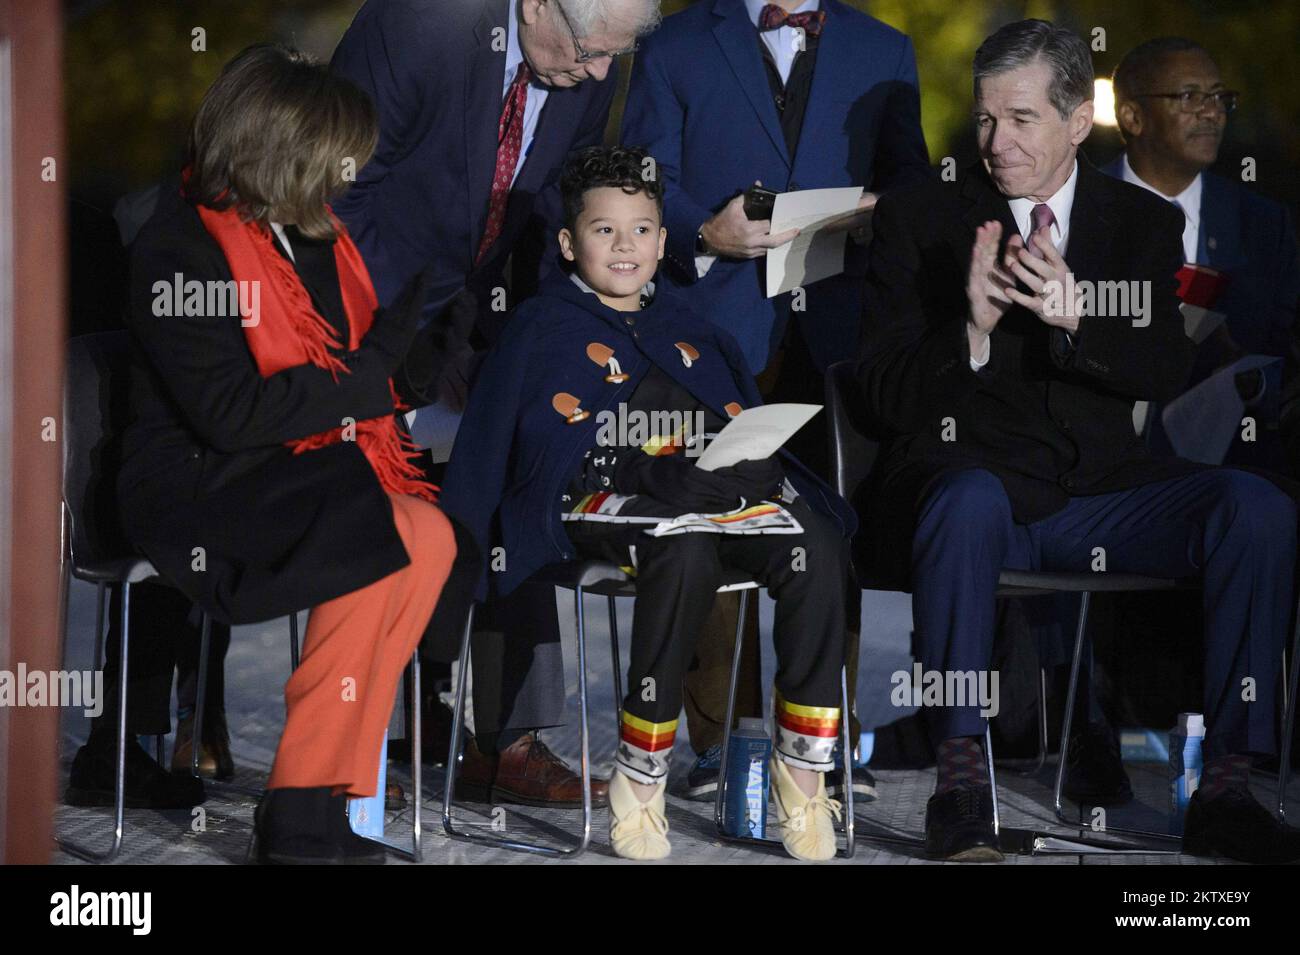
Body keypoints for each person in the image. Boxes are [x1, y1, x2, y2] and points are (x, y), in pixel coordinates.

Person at [855, 19, 1299, 863]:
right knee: (965, 495)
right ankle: (960, 785)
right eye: (986, 119)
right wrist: (973, 333)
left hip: (1104, 495)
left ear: (1075, 122)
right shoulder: (922, 215)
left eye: (1020, 120)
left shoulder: (1136, 221)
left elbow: (1165, 367)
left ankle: (1230, 788)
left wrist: (1079, 317)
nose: (996, 141)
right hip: (978, 493)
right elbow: (878, 391)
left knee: (1257, 506)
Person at [440, 145, 857, 859]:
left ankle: (804, 768)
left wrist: (738, 462)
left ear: (665, 242)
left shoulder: (692, 326)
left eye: (640, 230)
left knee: (814, 542)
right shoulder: (542, 327)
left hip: (708, 496)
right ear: (570, 243)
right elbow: (543, 448)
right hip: (599, 507)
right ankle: (640, 774)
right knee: (684, 548)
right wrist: (649, 471)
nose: (625, 246)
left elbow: (734, 419)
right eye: (604, 230)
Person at [119, 44, 458, 864]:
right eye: (333, 159)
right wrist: (370, 379)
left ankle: (330, 788)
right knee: (366, 530)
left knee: (431, 537)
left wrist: (406, 362)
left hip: (285, 466)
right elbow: (231, 414)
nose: (345, 177)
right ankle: (296, 810)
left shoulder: (304, 237)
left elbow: (344, 371)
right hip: (197, 479)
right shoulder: (177, 250)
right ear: (278, 151)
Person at [330, 0, 661, 807]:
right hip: (358, 310)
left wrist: (504, 347)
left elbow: (546, 218)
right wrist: (399, 347)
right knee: (377, 503)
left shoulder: (588, 62)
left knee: (526, 452)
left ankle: (505, 737)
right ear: (539, 5)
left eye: (609, 61)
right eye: (587, 53)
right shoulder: (421, 28)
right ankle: (355, 746)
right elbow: (337, 194)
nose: (594, 76)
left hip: (471, 314)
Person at [619, 0, 931, 802]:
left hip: (839, 328)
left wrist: (872, 212)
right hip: (709, 321)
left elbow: (913, 186)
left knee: (834, 527)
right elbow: (642, 174)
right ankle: (718, 743)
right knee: (711, 518)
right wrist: (702, 232)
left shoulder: (886, 48)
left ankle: (821, 745)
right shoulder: (674, 42)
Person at [1105, 37, 1299, 471]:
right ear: (1133, 116)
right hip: (1100, 481)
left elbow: (1289, 364)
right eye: (1189, 96)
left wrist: (1247, 381)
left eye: (1218, 97)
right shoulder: (1074, 213)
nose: (1211, 112)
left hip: (1236, 474)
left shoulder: (1265, 226)